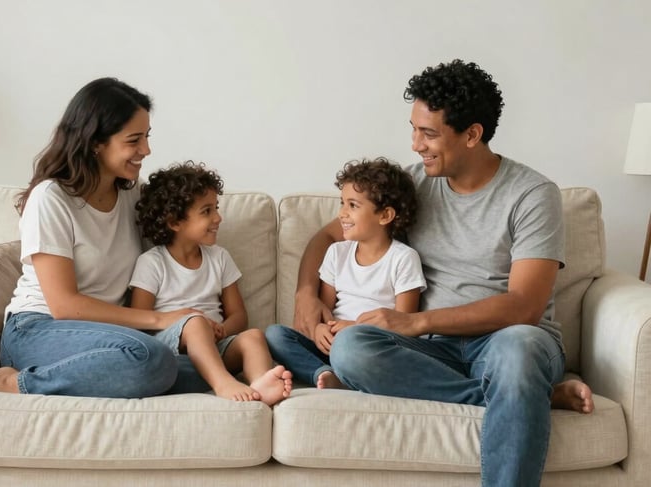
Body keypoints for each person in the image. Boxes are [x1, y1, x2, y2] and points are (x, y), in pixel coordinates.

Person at [291, 60, 593, 487]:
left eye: (429, 133)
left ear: (472, 134)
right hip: (432, 351)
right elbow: (327, 236)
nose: (415, 144)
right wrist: (307, 294)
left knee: (519, 350)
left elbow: (524, 306)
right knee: (352, 348)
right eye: (414, 129)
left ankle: (519, 391)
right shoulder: (412, 184)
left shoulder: (532, 194)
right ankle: (528, 397)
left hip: (508, 340)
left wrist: (416, 321)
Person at [0, 77, 210, 398]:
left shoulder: (132, 195)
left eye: (147, 137)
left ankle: (122, 369)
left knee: (206, 366)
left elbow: (172, 248)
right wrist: (160, 318)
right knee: (152, 360)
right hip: (37, 329)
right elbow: (64, 306)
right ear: (96, 142)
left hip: (110, 337)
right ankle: (14, 382)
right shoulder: (51, 198)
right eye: (134, 140)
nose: (146, 150)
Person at [131, 161, 292, 405]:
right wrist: (193, 325)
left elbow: (238, 314)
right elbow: (140, 320)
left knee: (253, 337)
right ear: (175, 222)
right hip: (173, 357)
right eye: (206, 211)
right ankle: (222, 383)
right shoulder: (152, 263)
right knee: (195, 323)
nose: (218, 217)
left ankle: (260, 383)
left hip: (217, 348)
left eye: (216, 208)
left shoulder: (219, 257)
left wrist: (223, 330)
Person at [266, 158, 425, 389]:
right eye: (342, 203)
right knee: (275, 335)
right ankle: (325, 374)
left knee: (358, 346)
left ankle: (349, 373)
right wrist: (320, 329)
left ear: (385, 216)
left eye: (353, 205)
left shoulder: (403, 259)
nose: (342, 213)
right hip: (331, 342)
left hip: (370, 347)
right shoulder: (336, 253)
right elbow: (326, 310)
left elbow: (404, 327)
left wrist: (355, 328)